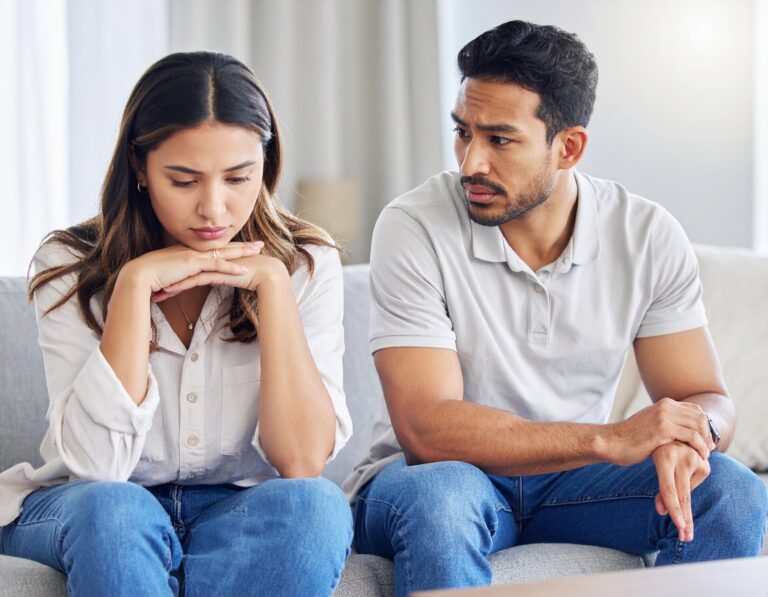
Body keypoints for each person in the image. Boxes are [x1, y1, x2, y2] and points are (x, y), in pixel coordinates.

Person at [344, 20, 768, 597]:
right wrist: (605, 439)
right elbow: (427, 428)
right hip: (433, 478)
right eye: (462, 133)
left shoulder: (645, 234)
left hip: (575, 488)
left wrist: (691, 436)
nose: (470, 163)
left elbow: (707, 396)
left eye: (499, 139)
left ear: (568, 147)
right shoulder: (413, 225)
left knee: (734, 491)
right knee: (442, 500)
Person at [0, 52, 353, 597]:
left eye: (239, 177)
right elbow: (97, 467)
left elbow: (302, 461)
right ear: (140, 168)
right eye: (184, 181)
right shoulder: (68, 264)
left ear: (267, 162)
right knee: (115, 511)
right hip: (94, 502)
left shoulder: (306, 265)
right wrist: (132, 289)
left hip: (237, 505)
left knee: (316, 504)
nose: (215, 209)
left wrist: (274, 290)